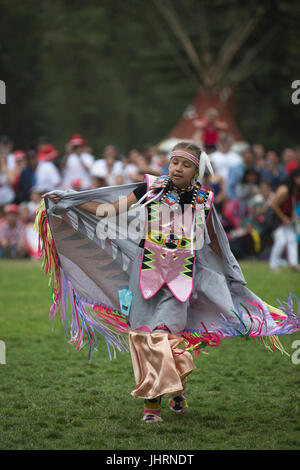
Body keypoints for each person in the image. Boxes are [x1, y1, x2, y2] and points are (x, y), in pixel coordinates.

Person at [40, 142, 299, 424]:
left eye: (186, 165)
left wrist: (228, 274)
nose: (178, 168)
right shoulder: (151, 188)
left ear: (196, 171)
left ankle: (158, 403)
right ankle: (165, 396)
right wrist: (70, 201)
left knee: (163, 338)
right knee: (144, 337)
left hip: (181, 279)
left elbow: (213, 243)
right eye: (174, 162)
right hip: (145, 274)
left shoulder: (204, 200)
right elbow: (109, 212)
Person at [269, 168, 300, 273]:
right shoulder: (285, 190)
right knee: (281, 241)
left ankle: (293, 264)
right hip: (276, 220)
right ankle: (273, 266)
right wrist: (283, 218)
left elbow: (291, 206)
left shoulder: (296, 191)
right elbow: (273, 205)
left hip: (286, 220)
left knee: (292, 239)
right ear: (295, 178)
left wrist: (293, 216)